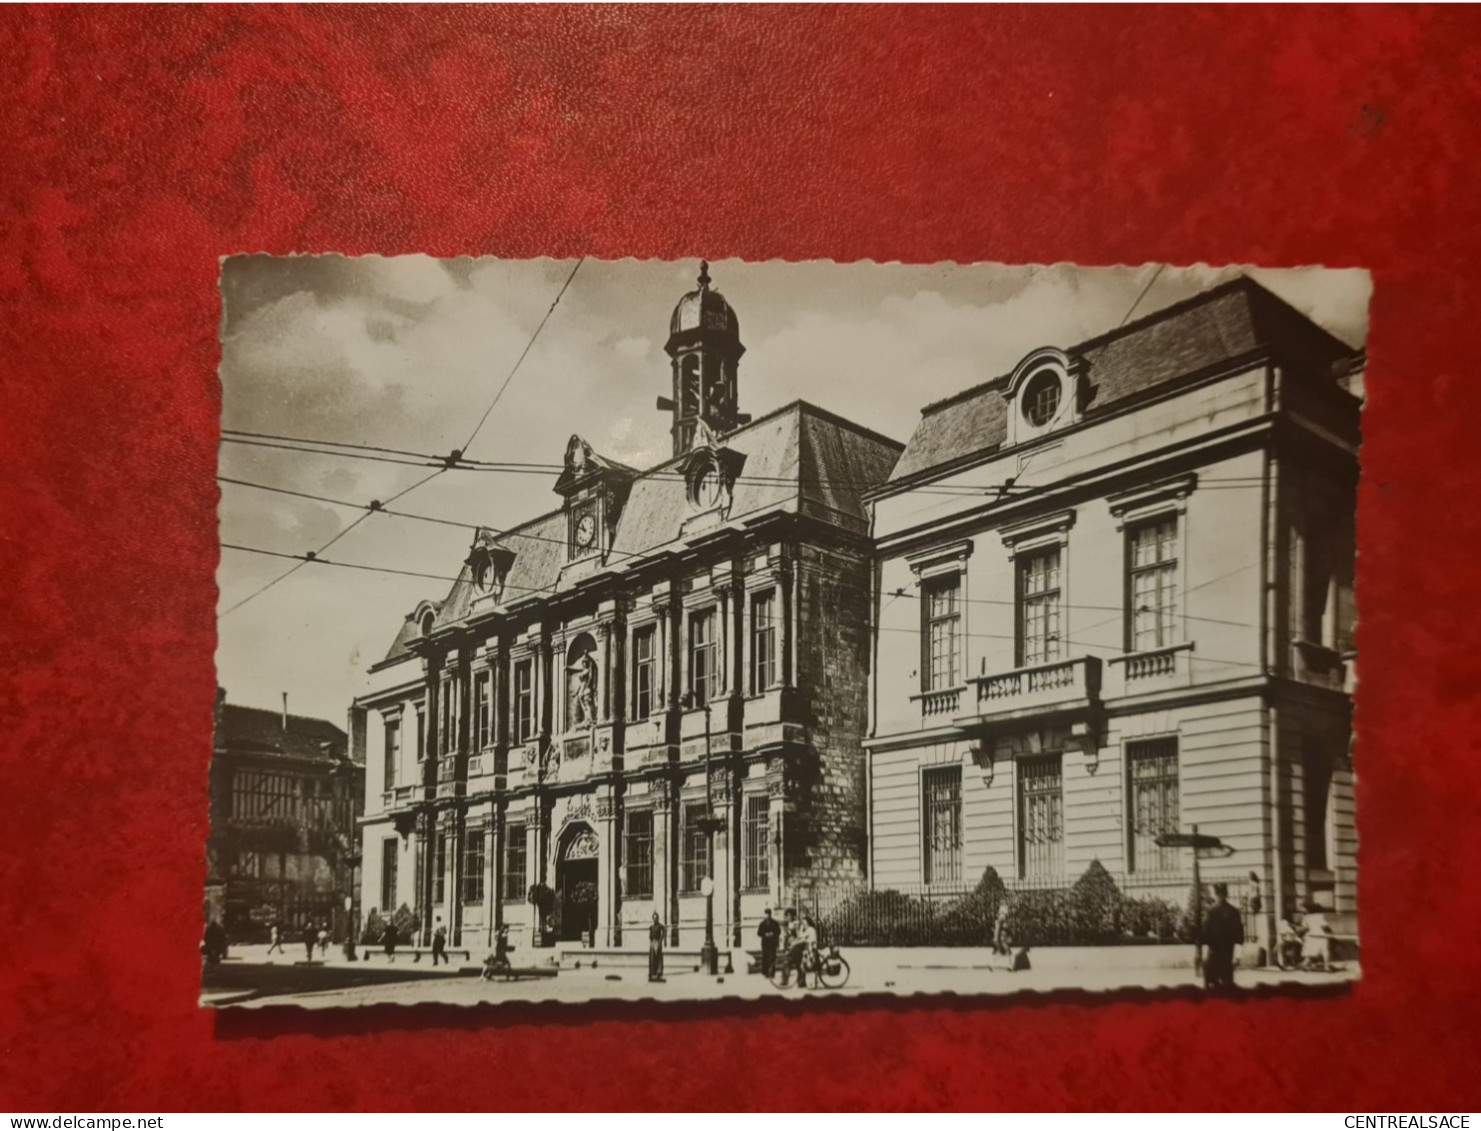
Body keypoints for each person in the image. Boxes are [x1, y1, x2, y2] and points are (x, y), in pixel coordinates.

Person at [1202, 882, 1245, 990]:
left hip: (1216, 953)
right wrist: (1237, 956)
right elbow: (1240, 936)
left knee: (1213, 986)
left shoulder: (1211, 911)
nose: (1220, 897)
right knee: (1226, 985)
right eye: (1220, 894)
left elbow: (1205, 934)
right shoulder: (1233, 911)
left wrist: (1237, 956)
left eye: (1220, 894)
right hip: (1224, 953)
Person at [1302, 901, 1334, 971]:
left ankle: (1305, 964)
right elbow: (1324, 926)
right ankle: (1326, 967)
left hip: (1311, 935)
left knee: (1311, 952)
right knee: (1325, 951)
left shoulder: (1306, 917)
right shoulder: (1320, 916)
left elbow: (1305, 927)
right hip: (1321, 935)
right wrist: (1330, 932)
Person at [756, 909, 781, 978]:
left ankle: (772, 972)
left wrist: (773, 933)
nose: (767, 915)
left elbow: (778, 931)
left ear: (770, 914)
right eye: (766, 914)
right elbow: (758, 933)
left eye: (768, 914)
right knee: (765, 957)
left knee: (772, 957)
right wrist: (765, 934)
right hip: (765, 943)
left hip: (772, 943)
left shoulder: (775, 923)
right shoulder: (762, 923)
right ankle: (765, 972)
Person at [798, 914, 820, 989]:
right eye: (802, 923)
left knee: (809, 966)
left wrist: (801, 929)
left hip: (811, 949)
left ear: (808, 923)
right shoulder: (809, 929)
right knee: (806, 965)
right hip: (809, 949)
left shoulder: (810, 929)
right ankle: (806, 981)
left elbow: (801, 936)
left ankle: (810, 982)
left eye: (804, 923)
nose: (803, 925)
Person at [647, 912, 665, 982]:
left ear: (658, 918)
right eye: (654, 918)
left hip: (657, 942)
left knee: (658, 957)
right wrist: (651, 942)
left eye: (656, 918)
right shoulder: (651, 927)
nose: (655, 919)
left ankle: (659, 971)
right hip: (652, 942)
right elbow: (650, 936)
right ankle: (652, 971)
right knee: (652, 957)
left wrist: (660, 941)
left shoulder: (660, 926)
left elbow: (663, 932)